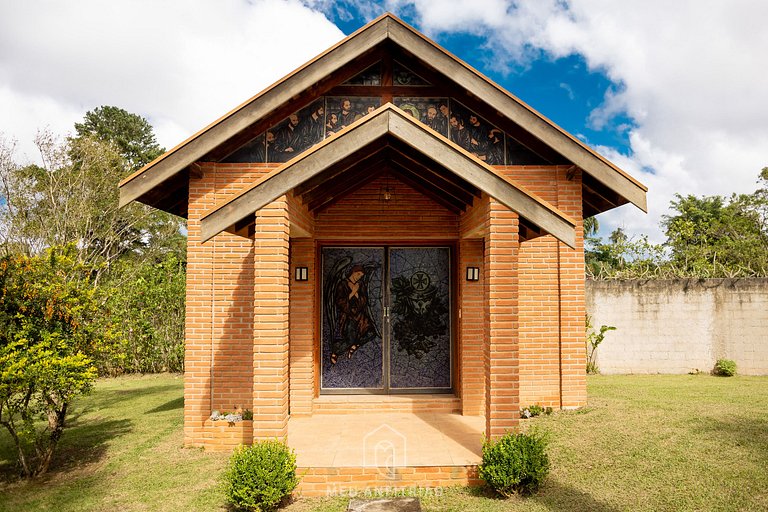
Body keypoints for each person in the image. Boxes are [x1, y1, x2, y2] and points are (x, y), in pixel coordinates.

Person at [331, 264, 377, 364]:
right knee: (350, 339)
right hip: (348, 316)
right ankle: (335, 351)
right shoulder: (342, 284)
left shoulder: (360, 285)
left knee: (372, 333)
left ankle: (356, 345)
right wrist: (352, 293)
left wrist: (356, 293)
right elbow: (339, 302)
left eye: (361, 276)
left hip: (360, 316)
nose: (359, 277)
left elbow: (364, 300)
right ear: (353, 272)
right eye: (358, 274)